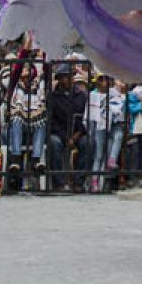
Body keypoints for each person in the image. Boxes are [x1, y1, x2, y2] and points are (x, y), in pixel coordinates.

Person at [48, 63, 87, 191]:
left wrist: (76, 136)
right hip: (59, 133)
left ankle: (79, 182)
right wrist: (66, 138)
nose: (67, 79)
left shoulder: (81, 95)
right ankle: (59, 182)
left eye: (69, 76)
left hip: (77, 133)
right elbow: (52, 121)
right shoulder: (53, 97)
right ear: (59, 79)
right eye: (64, 77)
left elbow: (84, 118)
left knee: (87, 142)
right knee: (54, 143)